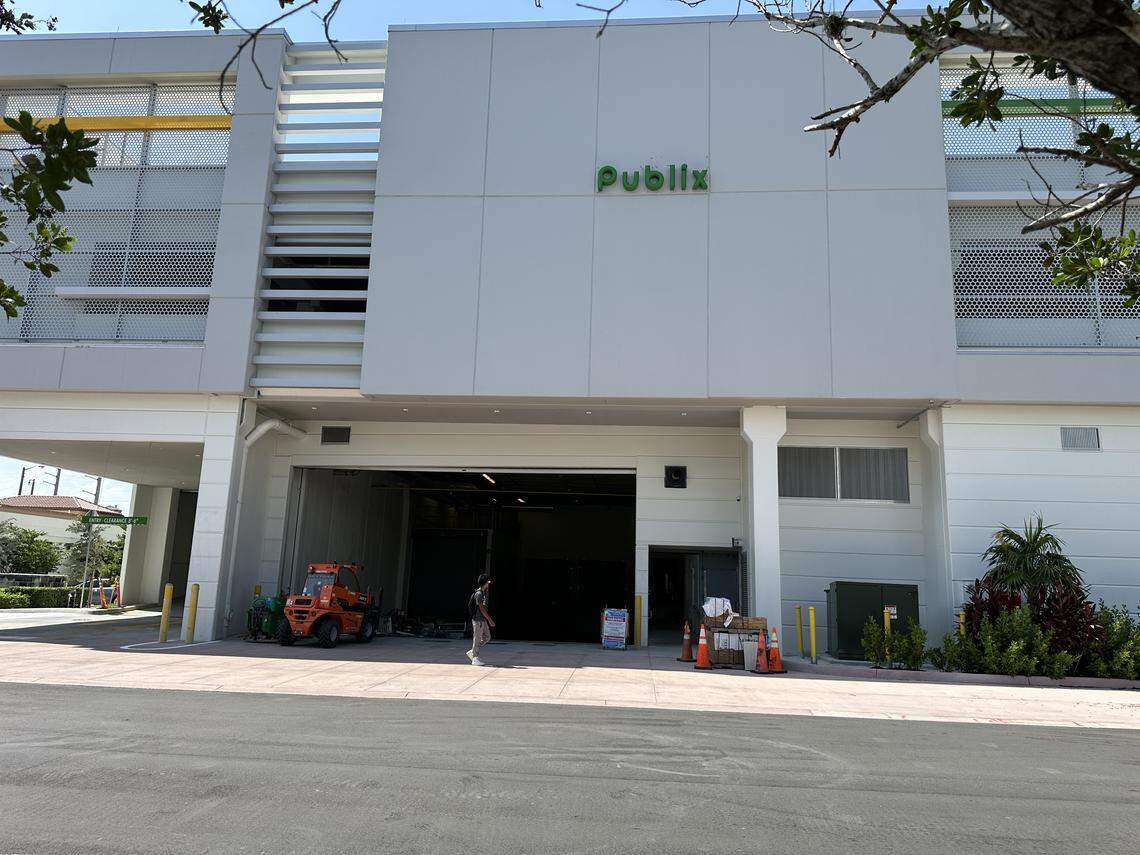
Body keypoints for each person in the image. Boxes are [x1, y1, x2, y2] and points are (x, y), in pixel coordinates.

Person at [466, 574, 495, 666]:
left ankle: (473, 651)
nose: (488, 584)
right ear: (485, 583)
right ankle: (475, 658)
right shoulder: (479, 594)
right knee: (477, 638)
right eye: (488, 582)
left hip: (482, 620)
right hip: (478, 620)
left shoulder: (483, 593)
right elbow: (482, 609)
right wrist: (490, 620)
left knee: (487, 637)